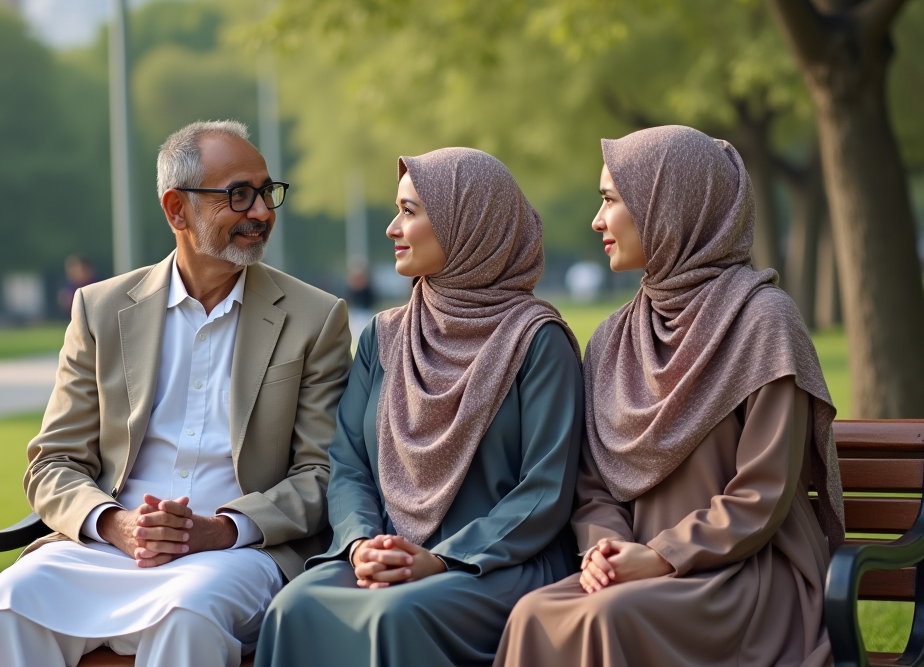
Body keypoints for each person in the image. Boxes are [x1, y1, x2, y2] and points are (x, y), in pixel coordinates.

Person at [0, 121, 352, 667]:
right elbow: (53, 462)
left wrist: (220, 529)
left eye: (267, 192)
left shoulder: (315, 317)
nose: (262, 212)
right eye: (238, 195)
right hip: (107, 548)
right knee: (12, 599)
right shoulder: (100, 310)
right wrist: (115, 524)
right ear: (177, 210)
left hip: (238, 554)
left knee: (188, 612)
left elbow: (322, 473)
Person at [495, 125, 844, 667]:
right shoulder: (613, 338)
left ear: (668, 205)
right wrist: (605, 549)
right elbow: (594, 484)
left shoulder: (763, 321)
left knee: (608, 617)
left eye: (611, 200)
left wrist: (661, 556)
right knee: (532, 614)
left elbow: (763, 493)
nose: (597, 220)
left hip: (744, 575)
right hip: (633, 568)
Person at [254, 148, 584, 667]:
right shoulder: (384, 335)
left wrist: (442, 559)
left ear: (468, 224)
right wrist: (361, 543)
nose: (392, 228)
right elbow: (348, 465)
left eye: (409, 211)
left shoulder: (538, 341)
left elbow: (545, 490)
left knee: (396, 615)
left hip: (497, 562)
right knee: (293, 607)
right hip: (386, 552)